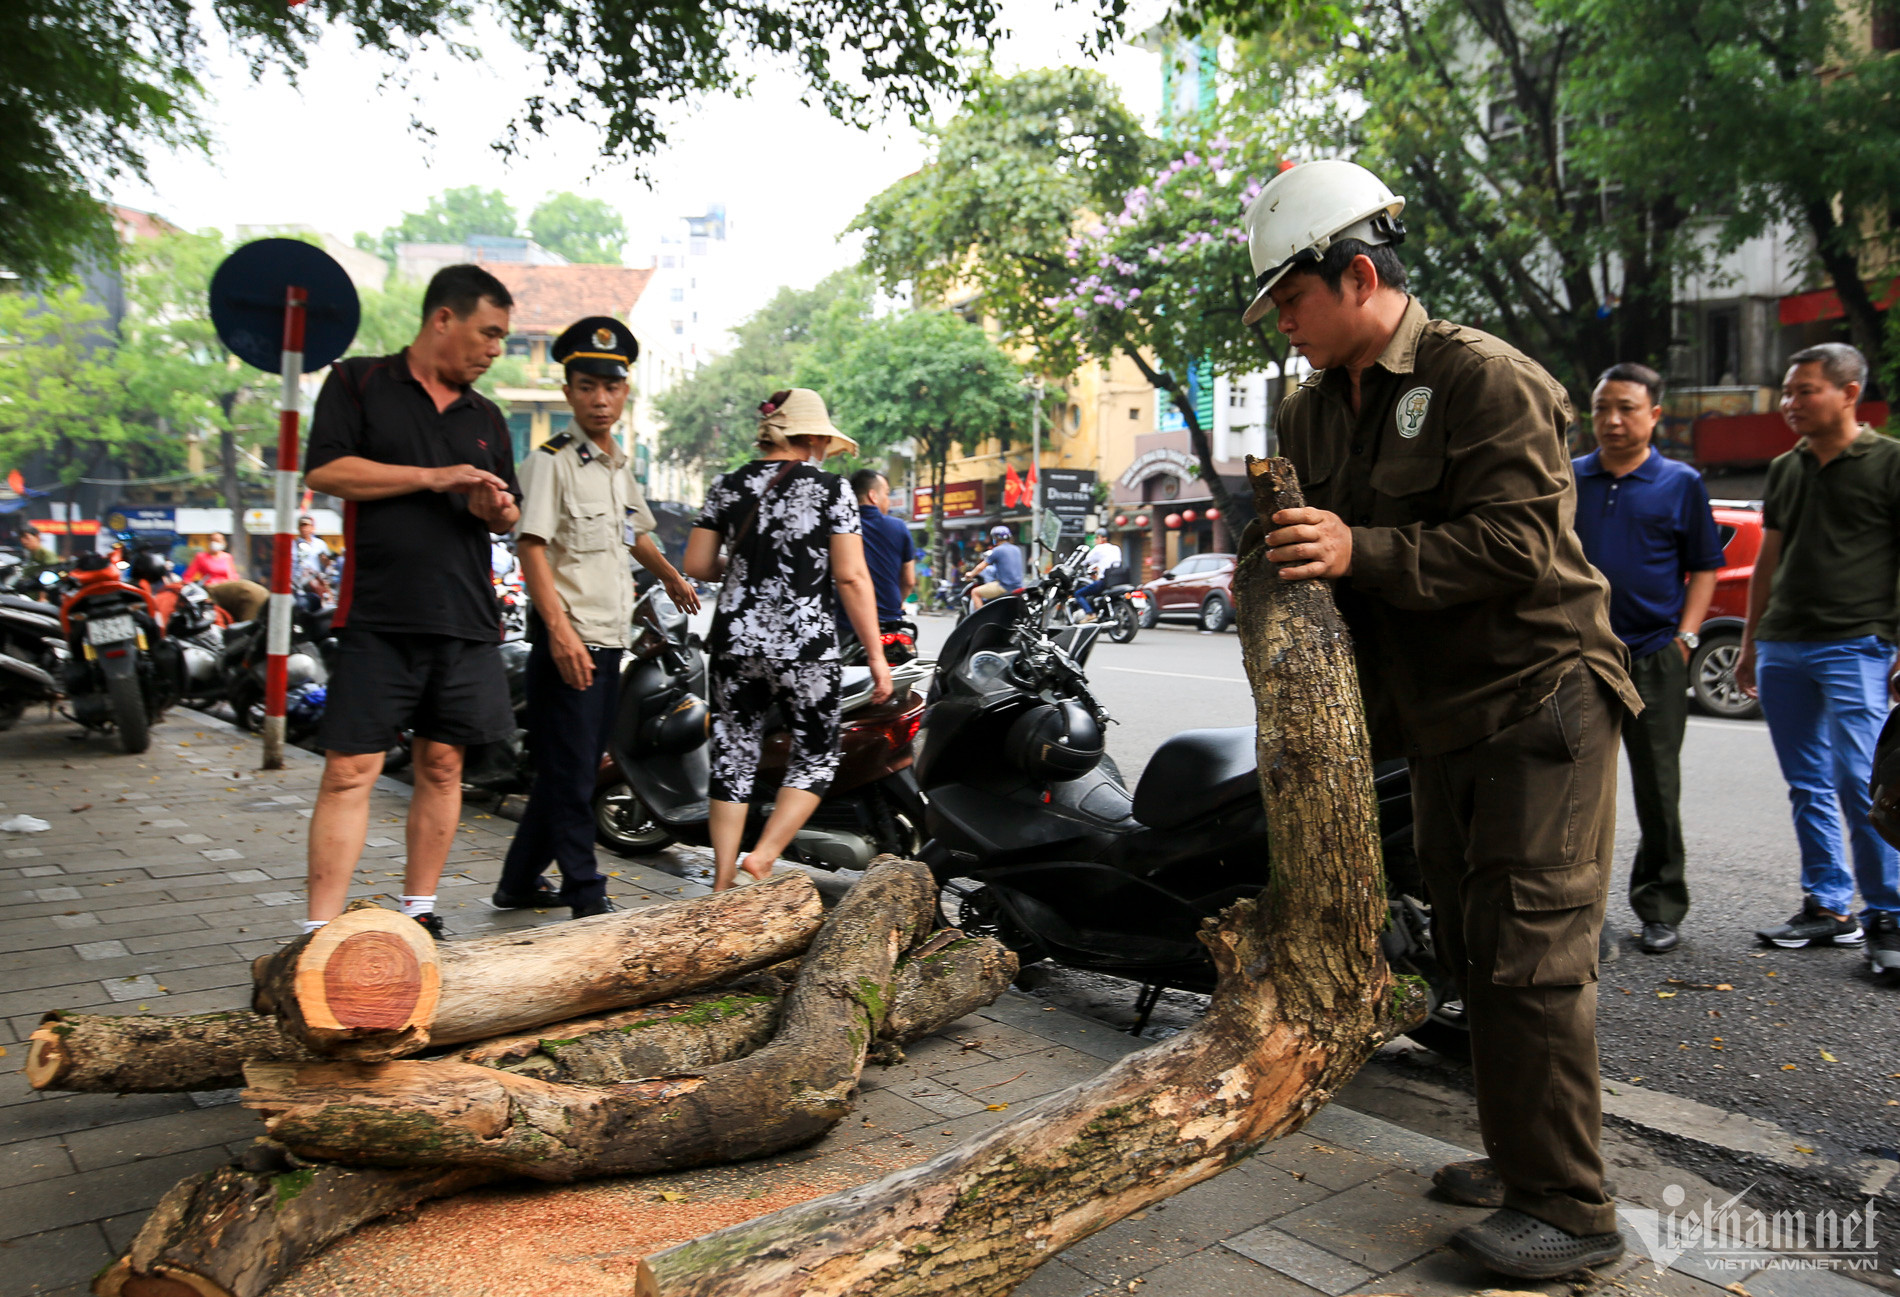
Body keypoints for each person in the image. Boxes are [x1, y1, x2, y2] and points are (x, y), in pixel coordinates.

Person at [1243, 158, 1640, 1278]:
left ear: (1357, 274)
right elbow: (1304, 554)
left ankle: (1569, 1211)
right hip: (1439, 721)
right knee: (1467, 949)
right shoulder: (1311, 409)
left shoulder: (1485, 380)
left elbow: (1519, 545)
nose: (1284, 324)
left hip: (1538, 704)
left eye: (1291, 298)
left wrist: (1357, 547)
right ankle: (1522, 1156)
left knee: (1530, 958)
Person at [299, 263, 523, 939]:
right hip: (378, 612)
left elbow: (507, 518)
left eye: (504, 338)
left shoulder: (488, 417)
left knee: (445, 763)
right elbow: (326, 470)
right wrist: (433, 477)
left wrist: (496, 505)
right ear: (442, 319)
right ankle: (317, 930)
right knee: (350, 769)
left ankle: (419, 913)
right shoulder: (358, 382)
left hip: (465, 617)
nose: (494, 349)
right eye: (488, 332)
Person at [494, 315, 700, 919]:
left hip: (610, 639)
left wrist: (670, 575)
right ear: (568, 393)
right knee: (574, 771)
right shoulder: (550, 463)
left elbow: (635, 534)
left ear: (624, 392)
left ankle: (516, 884)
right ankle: (586, 893)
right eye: (586, 386)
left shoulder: (617, 466)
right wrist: (558, 632)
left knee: (573, 764)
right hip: (570, 640)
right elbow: (531, 545)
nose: (600, 399)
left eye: (610, 387)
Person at [683, 388, 892, 891]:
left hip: (734, 643)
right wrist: (878, 657)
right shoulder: (832, 490)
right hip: (807, 649)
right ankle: (765, 855)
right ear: (816, 437)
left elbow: (695, 565)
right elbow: (851, 578)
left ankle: (721, 878)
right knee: (818, 754)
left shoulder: (727, 485)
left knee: (733, 752)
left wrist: (738, 567)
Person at [1737, 343, 1900, 974]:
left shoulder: (1889, 463)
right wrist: (1751, 643)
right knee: (1806, 783)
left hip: (1857, 643)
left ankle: (1888, 911)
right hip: (1783, 644)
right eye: (1787, 392)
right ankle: (1829, 906)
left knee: (1863, 782)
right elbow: (1767, 562)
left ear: (1850, 392)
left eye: (1806, 391)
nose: (1790, 403)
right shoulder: (1785, 467)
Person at [1571, 363, 1725, 956]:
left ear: (1653, 414)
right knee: (1577, 790)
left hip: (1655, 653)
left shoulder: (1680, 482)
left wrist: (1687, 638)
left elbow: (1705, 565)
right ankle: (1582, 909)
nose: (1612, 420)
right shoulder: (1570, 476)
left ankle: (1660, 907)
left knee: (1657, 788)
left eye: (1627, 408)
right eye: (1602, 407)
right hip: (1580, 653)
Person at [849, 468, 916, 626]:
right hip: (890, 618)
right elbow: (909, 581)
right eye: (886, 494)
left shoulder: (841, 528)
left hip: (850, 620)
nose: (888, 500)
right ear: (873, 496)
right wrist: (893, 603)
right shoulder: (899, 527)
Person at [1074, 530, 1125, 617]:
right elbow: (1108, 561)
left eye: (1097, 538)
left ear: (1103, 538)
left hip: (1104, 582)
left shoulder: (1098, 548)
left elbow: (1086, 561)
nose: (1095, 540)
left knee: (1078, 594)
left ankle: (1090, 614)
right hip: (1118, 580)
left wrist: (1078, 566)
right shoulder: (1116, 548)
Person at [970, 525, 1024, 608]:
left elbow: (981, 567)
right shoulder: (1016, 549)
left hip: (1004, 586)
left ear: (995, 538)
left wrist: (970, 574)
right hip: (1018, 586)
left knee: (975, 592)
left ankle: (982, 619)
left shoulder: (997, 550)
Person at [290, 516, 332, 612]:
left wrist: (326, 561)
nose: (304, 528)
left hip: (316, 583)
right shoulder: (293, 545)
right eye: (302, 525)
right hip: (298, 584)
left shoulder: (320, 544)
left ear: (312, 528)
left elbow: (327, 565)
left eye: (307, 525)